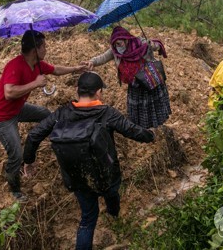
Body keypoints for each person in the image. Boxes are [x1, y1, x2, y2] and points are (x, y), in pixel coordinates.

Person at [23, 71, 154, 250]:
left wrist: (29, 161)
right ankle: (114, 216)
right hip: (106, 174)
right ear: (99, 92)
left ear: (77, 90)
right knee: (112, 194)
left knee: (87, 218)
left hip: (76, 177)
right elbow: (132, 131)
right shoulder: (107, 113)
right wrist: (152, 136)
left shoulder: (61, 113)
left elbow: (33, 136)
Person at [0, 29, 86, 201]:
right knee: (16, 154)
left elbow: (56, 70)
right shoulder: (15, 65)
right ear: (35, 50)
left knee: (46, 115)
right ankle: (14, 188)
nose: (46, 50)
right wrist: (35, 83)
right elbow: (9, 92)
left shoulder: (38, 64)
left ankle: (51, 143)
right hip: (1, 117)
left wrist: (77, 68)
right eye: (44, 47)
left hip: (17, 109)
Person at [82, 25, 171, 128]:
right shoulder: (114, 51)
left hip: (149, 79)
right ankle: (141, 130)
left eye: (119, 43)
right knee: (139, 109)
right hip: (135, 84)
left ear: (126, 40)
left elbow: (157, 47)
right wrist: (91, 62)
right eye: (115, 44)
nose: (118, 46)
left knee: (152, 105)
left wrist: (151, 45)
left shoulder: (139, 43)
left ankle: (157, 127)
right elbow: (102, 57)